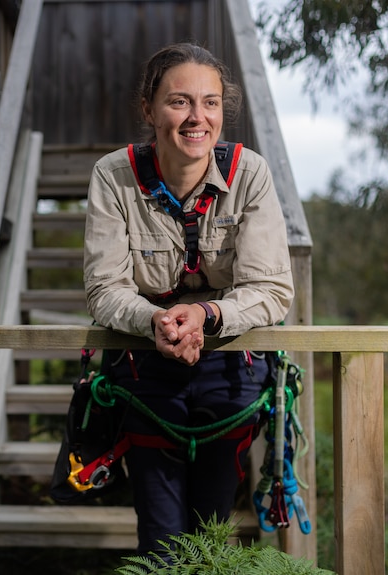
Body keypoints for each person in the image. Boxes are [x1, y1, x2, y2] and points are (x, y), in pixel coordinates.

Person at [82, 42, 295, 555]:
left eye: (210, 102)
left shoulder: (250, 174)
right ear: (149, 109)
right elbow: (105, 288)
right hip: (145, 366)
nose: (197, 117)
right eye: (179, 101)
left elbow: (272, 289)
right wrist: (155, 320)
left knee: (212, 530)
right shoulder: (113, 176)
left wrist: (206, 312)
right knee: (161, 538)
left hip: (231, 366)